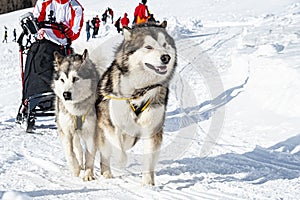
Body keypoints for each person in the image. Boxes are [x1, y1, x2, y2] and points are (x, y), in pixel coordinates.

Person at [16, 0, 84, 122]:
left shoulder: (75, 8)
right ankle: (28, 100)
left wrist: (59, 30)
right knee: (35, 60)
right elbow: (36, 23)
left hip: (60, 46)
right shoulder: (44, 2)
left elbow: (74, 33)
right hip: (41, 43)